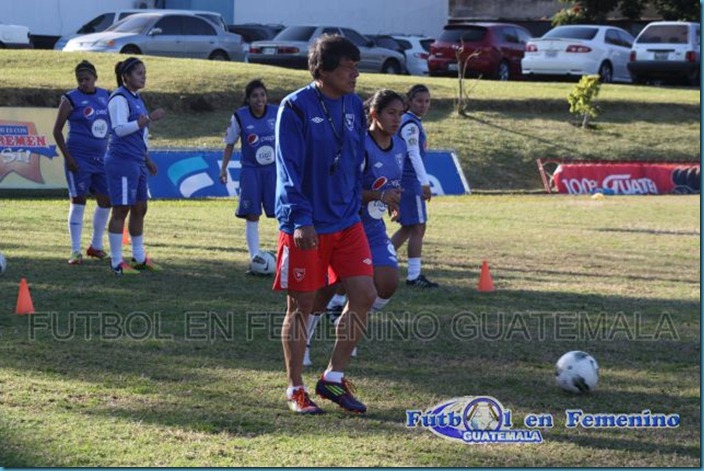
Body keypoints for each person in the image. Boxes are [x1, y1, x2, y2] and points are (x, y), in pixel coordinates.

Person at [274, 35, 376, 415]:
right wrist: (301, 218)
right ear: (323, 70)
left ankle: (333, 378)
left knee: (364, 295)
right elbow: (288, 170)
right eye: (349, 66)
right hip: (307, 225)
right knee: (302, 306)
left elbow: (352, 161)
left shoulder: (353, 104)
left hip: (348, 221)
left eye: (356, 65)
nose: (356, 73)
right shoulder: (295, 108)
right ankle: (295, 389)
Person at [304, 89, 406, 366]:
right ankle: (306, 342)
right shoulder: (357, 145)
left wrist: (394, 199)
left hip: (372, 227)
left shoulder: (399, 146)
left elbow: (390, 184)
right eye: (391, 113)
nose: (397, 119)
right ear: (374, 114)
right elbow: (344, 188)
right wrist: (378, 196)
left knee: (387, 283)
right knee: (328, 286)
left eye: (400, 114)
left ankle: (346, 317)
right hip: (344, 222)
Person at [104, 57, 165, 275]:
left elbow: (140, 133)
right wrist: (147, 118)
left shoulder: (137, 98)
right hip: (121, 161)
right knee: (121, 209)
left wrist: (147, 158)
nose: (143, 76)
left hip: (136, 161)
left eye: (144, 72)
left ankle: (139, 257)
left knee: (140, 208)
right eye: (139, 73)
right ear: (126, 77)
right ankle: (116, 261)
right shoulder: (118, 98)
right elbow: (119, 129)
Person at [52, 60, 112, 265]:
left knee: (106, 201)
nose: (83, 83)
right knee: (79, 201)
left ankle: (95, 246)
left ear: (95, 78)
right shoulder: (70, 99)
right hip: (79, 159)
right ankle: (75, 250)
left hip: (102, 160)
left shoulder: (107, 96)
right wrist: (69, 158)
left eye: (87, 79)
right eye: (80, 80)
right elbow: (56, 131)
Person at [219, 79, 277, 271]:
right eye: (254, 96)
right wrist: (223, 168)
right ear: (248, 99)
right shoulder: (240, 117)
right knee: (252, 214)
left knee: (282, 212)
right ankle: (255, 258)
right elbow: (230, 143)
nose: (259, 99)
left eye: (262, 95)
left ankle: (286, 254)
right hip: (251, 170)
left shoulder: (277, 113)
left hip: (273, 170)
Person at [391, 84, 439, 288]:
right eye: (419, 100)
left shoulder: (411, 122)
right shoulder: (410, 124)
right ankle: (413, 275)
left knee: (409, 227)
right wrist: (425, 182)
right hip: (410, 180)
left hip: (405, 179)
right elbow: (413, 154)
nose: (423, 105)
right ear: (409, 101)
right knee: (418, 227)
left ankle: (378, 261)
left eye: (427, 101)